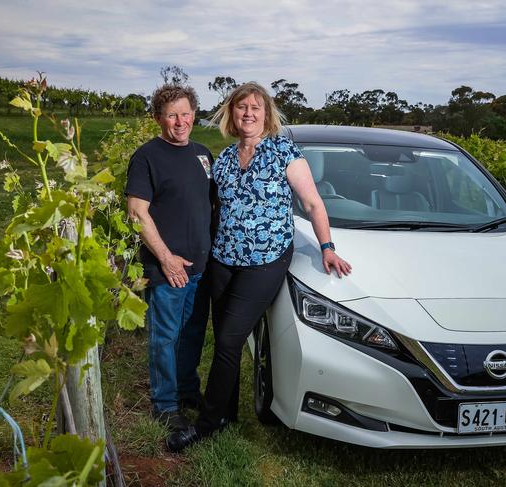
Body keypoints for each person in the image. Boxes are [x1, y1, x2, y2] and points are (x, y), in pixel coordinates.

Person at [166, 82, 351, 451]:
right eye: (241, 108)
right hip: (223, 259)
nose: (248, 113)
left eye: (255, 107)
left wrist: (327, 247)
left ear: (266, 114)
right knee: (223, 341)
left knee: (231, 340)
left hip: (264, 262)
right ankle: (227, 412)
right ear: (231, 115)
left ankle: (206, 423)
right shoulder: (225, 159)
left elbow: (313, 204)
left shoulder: (284, 151)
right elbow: (211, 209)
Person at [125, 84, 215, 432]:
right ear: (159, 118)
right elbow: (137, 213)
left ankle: (187, 390)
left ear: (194, 113)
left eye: (185, 113)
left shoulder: (203, 154)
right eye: (171, 115)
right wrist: (165, 258)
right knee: (166, 336)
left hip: (200, 266)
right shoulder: (148, 157)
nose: (180, 121)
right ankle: (165, 404)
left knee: (192, 333)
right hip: (167, 267)